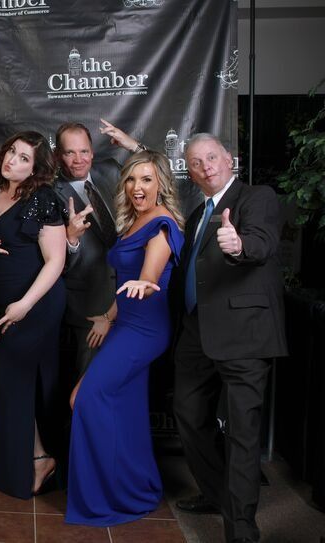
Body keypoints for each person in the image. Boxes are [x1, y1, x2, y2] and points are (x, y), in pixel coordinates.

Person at [172, 134, 287, 543]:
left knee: (241, 432)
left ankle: (240, 528)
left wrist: (239, 245)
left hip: (244, 335)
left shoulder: (257, 198)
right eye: (196, 162)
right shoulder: (197, 213)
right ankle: (216, 492)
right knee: (188, 415)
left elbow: (262, 241)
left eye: (211, 158)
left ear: (229, 159)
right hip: (196, 330)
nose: (205, 167)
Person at [65, 150, 185, 526]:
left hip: (146, 331)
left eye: (147, 179)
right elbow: (127, 286)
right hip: (126, 325)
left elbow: (148, 278)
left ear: (161, 184)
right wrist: (108, 316)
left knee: (84, 398)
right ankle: (136, 488)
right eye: (132, 179)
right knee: (122, 409)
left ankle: (112, 492)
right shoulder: (134, 219)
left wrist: (144, 284)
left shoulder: (162, 226)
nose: (137, 187)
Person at [0, 131, 67, 499]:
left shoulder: (43, 199)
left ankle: (35, 460)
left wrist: (26, 304)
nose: (13, 160)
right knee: (6, 381)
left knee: (10, 376)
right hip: (2, 302)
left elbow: (56, 260)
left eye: (24, 158)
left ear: (36, 168)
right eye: (12, 151)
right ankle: (38, 457)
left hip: (36, 302)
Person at [53, 120, 147, 374]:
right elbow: (52, 265)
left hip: (131, 298)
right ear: (59, 155)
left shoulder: (111, 171)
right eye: (69, 152)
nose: (78, 159)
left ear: (92, 152)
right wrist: (70, 239)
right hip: (90, 307)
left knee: (127, 378)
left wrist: (133, 146)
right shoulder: (49, 194)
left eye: (84, 151)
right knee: (90, 382)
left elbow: (156, 174)